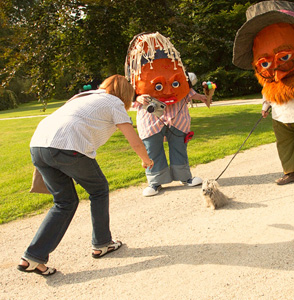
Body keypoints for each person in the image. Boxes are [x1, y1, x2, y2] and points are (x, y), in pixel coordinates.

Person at [18, 75, 154, 276]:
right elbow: (134, 140)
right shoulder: (115, 101)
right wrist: (146, 160)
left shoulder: (82, 96)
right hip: (68, 147)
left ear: (103, 86)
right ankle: (102, 243)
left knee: (64, 202)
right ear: (125, 94)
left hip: (38, 145)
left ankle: (32, 257)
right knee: (98, 190)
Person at [232, 1, 294, 190]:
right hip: (281, 112)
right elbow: (268, 85)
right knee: (285, 142)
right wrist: (265, 105)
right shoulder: (267, 66)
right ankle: (291, 171)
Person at [125, 32, 208, 197]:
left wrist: (199, 96)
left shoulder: (173, 64)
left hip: (178, 119)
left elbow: (184, 88)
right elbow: (131, 93)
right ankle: (155, 181)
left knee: (179, 148)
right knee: (152, 150)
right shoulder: (137, 71)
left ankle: (184, 177)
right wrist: (138, 97)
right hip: (151, 121)